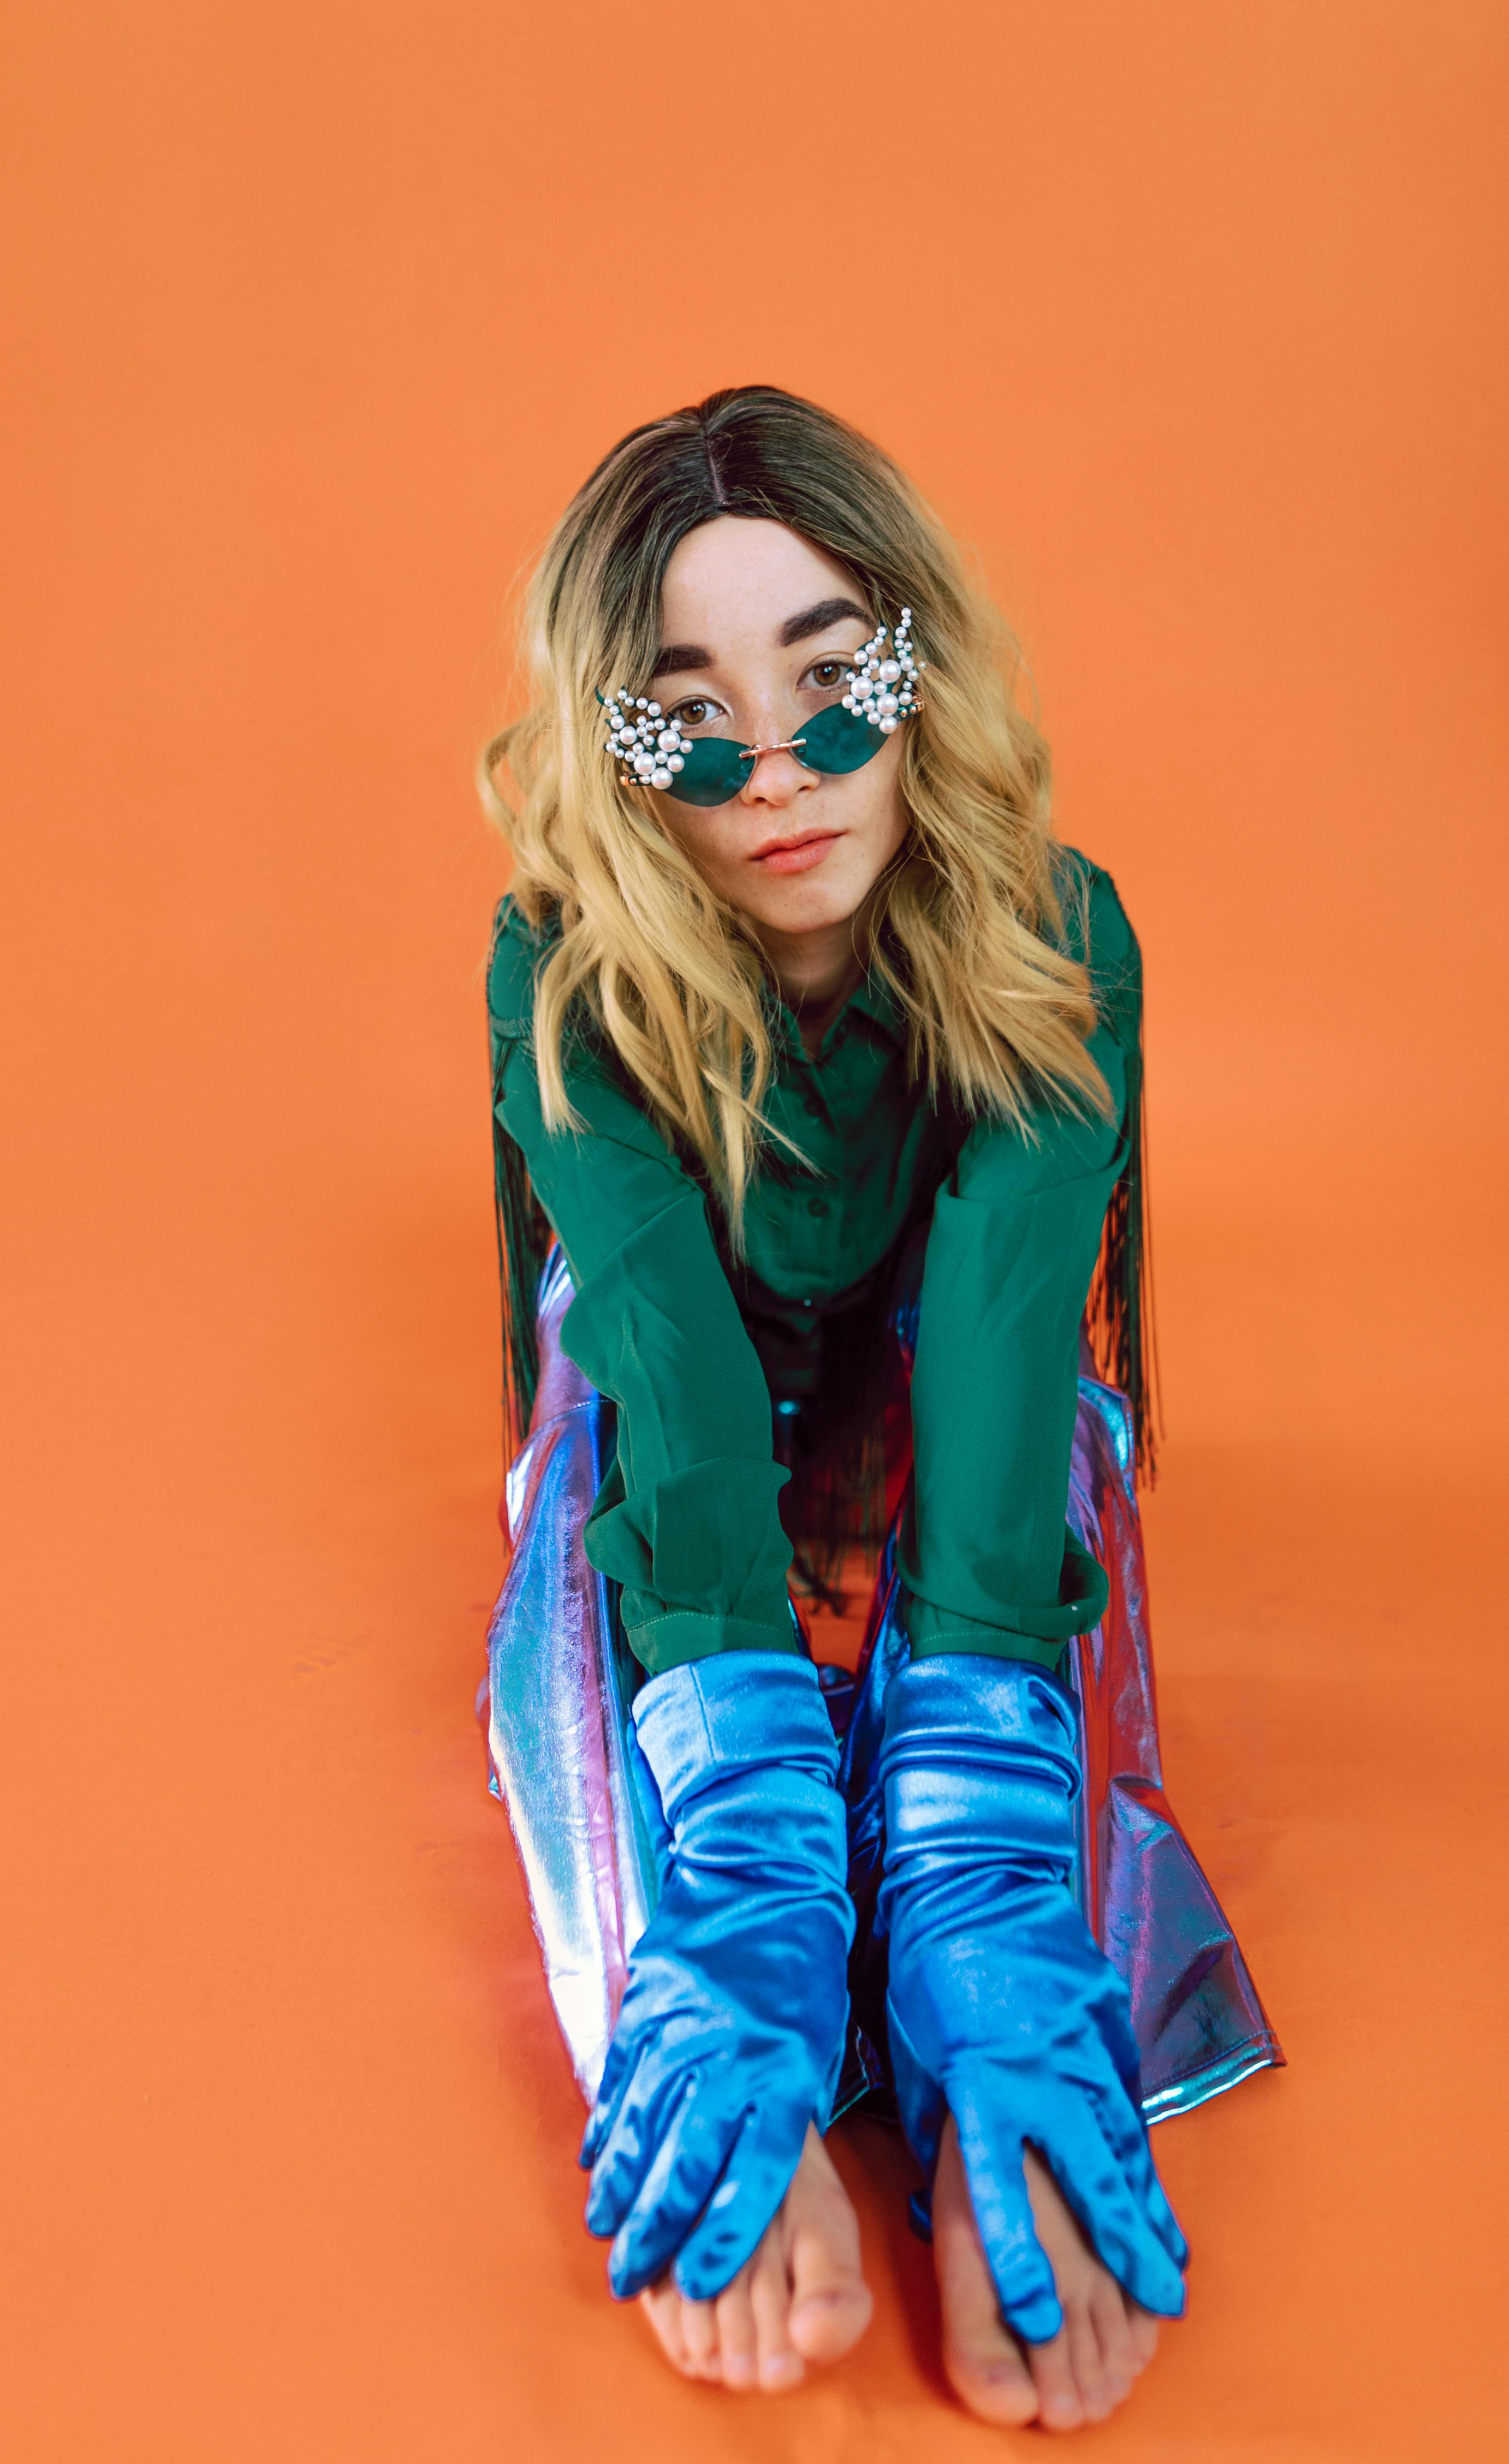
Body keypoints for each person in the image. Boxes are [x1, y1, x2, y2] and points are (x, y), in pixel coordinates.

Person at [478, 385, 1279, 2429]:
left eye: (836, 685)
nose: (779, 774)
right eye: (688, 720)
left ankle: (992, 1999)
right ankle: (709, 1997)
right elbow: (664, 1368)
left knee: (1056, 1467)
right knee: (594, 1483)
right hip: (688, 1430)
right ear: (615, 754)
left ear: (923, 669)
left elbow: (1014, 1351)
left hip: (947, 1401)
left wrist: (981, 1878)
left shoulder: (1051, 931)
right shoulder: (559, 971)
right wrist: (750, 1877)